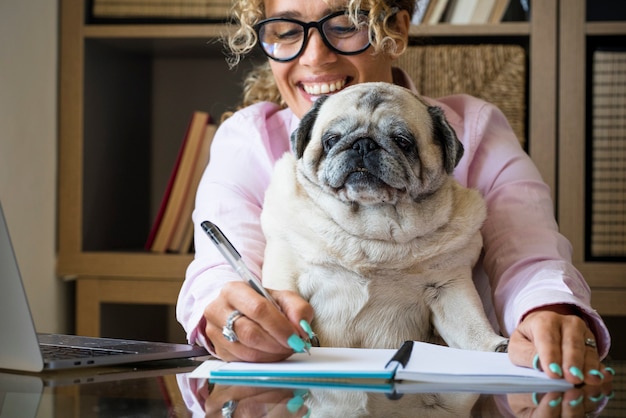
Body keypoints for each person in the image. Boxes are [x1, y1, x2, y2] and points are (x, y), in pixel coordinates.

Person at [177, 0, 614, 386]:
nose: (315, 56)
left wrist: (545, 312)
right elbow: (218, 268)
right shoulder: (249, 140)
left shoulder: (474, 130)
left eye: (346, 24)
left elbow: (530, 256)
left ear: (397, 28)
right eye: (287, 32)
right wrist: (229, 313)